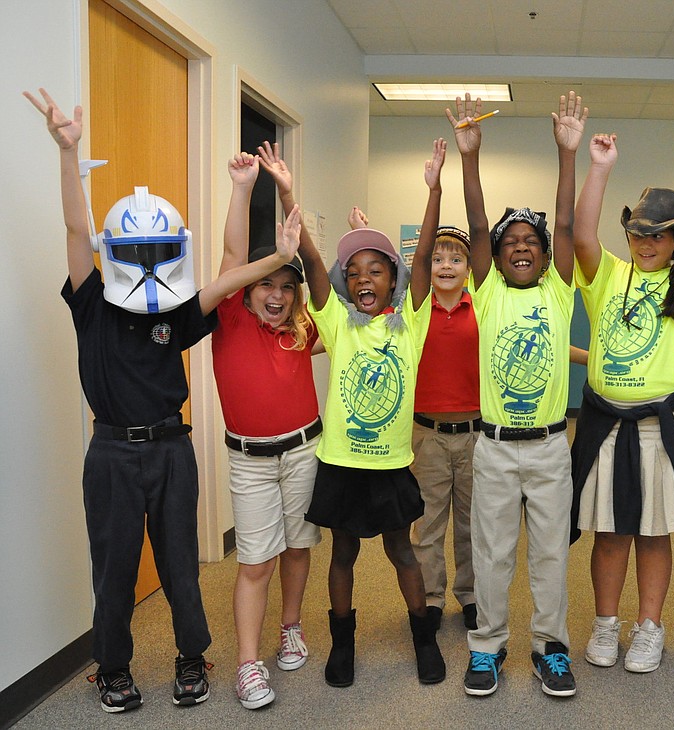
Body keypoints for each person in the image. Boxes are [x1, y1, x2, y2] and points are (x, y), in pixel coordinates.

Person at [25, 88, 302, 714]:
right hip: (112, 453)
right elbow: (75, 227)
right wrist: (68, 155)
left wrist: (276, 256)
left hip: (172, 449)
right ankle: (114, 669)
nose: (146, 264)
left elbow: (229, 277)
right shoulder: (92, 302)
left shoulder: (173, 315)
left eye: (157, 254)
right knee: (114, 570)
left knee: (181, 568)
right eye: (134, 254)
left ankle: (189, 658)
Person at [256, 139, 443, 687]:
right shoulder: (335, 323)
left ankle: (422, 638)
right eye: (354, 272)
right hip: (340, 461)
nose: (364, 279)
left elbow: (426, 254)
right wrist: (286, 190)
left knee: (402, 551)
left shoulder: (412, 323)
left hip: (389, 465)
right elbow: (312, 261)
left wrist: (433, 191)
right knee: (342, 555)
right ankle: (343, 643)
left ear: (394, 282)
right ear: (345, 284)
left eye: (376, 271)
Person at [447, 91, 586, 698]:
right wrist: (470, 158)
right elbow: (476, 223)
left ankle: (550, 647)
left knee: (551, 556)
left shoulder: (559, 293)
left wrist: (566, 154)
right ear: (496, 259)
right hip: (496, 448)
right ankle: (488, 648)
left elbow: (565, 223)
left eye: (530, 241)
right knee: (493, 554)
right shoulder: (490, 293)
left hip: (553, 446)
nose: (523, 245)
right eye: (510, 243)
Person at [570, 130, 674, 674]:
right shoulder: (609, 275)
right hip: (606, 425)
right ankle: (606, 624)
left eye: (660, 235)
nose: (646, 241)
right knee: (610, 532)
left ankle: (649, 627)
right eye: (638, 232)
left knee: (654, 533)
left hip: (663, 425)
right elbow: (580, 232)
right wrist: (600, 168)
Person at [212, 152, 323, 709]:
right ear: (250, 288)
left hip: (305, 450)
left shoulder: (302, 329)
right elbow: (234, 258)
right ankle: (248, 664)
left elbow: (318, 278)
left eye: (285, 285)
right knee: (256, 561)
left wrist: (287, 192)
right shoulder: (230, 317)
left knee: (299, 547)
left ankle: (292, 627)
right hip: (250, 461)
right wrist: (242, 187)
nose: (275, 294)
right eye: (266, 284)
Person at [349, 212, 481, 632]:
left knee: (473, 522)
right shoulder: (409, 311)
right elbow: (369, 297)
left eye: (455, 258)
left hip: (476, 433)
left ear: (469, 268)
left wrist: (591, 359)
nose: (445, 265)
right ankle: (430, 598)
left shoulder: (484, 305)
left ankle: (472, 595)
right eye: (437, 257)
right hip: (425, 434)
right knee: (427, 525)